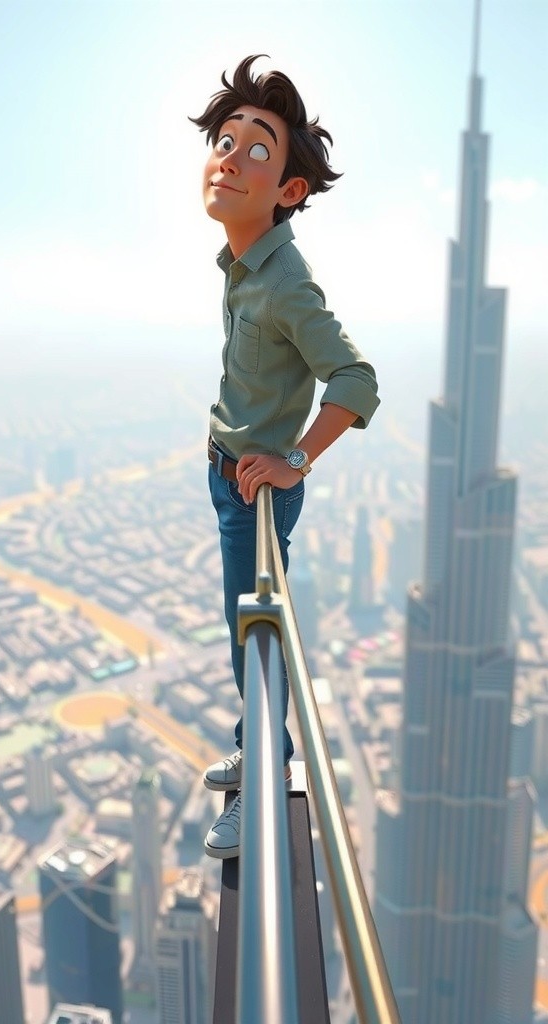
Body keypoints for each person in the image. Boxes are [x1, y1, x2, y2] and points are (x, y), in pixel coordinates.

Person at [191, 55, 379, 858]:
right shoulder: (244, 264)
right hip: (231, 471)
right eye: (226, 141)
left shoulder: (284, 284)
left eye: (257, 150)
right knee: (245, 634)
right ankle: (256, 743)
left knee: (256, 641)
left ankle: (266, 781)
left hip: (257, 490)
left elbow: (356, 380)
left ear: (290, 192)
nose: (231, 156)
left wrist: (295, 462)